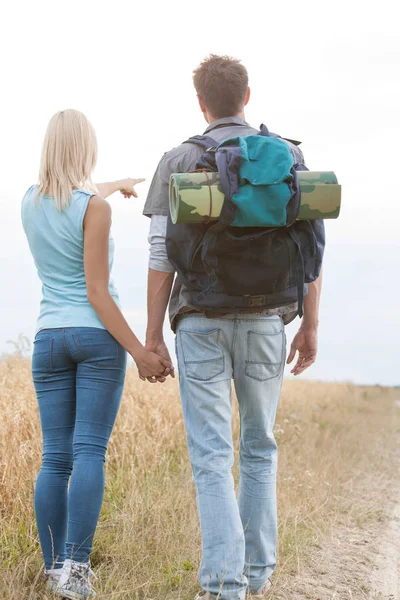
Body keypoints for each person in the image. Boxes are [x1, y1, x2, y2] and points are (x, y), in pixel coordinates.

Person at [143, 55, 324, 599]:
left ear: (202, 104)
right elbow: (311, 248)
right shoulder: (289, 156)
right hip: (269, 319)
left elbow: (160, 255)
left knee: (212, 455)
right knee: (260, 447)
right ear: (247, 97)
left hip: (200, 320)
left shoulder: (181, 157)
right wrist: (310, 326)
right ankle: (260, 573)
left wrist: (152, 336)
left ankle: (225, 584)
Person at [22, 109, 173, 600]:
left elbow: (79, 197)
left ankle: (52, 570)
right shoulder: (95, 210)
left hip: (47, 339)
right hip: (94, 340)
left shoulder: (29, 202)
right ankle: (78, 571)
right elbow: (96, 292)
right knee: (89, 451)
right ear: (86, 150)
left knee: (55, 457)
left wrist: (118, 183)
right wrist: (139, 353)